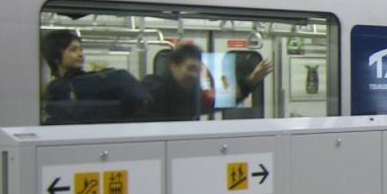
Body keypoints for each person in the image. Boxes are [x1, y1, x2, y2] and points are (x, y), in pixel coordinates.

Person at [40, 29, 149, 124]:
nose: (80, 54)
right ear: (56, 58)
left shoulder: (89, 80)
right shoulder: (57, 89)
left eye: (81, 49)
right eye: (73, 50)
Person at [142, 43, 272, 120]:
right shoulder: (151, 89)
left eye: (198, 70)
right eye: (190, 68)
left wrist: (251, 80)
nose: (194, 75)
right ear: (173, 65)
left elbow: (225, 98)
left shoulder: (194, 95)